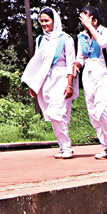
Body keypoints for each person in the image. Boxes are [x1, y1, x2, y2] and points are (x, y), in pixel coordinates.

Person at [21, 8, 75, 158]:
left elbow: (71, 64)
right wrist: (34, 84)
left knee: (57, 112)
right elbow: (38, 62)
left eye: (47, 20)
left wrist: (69, 85)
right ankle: (63, 147)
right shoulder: (41, 39)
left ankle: (67, 148)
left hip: (61, 77)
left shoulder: (66, 39)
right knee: (52, 115)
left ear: (54, 21)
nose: (44, 24)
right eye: (42, 21)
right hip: (46, 80)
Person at [73, 4, 107, 159]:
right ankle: (104, 146)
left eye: (85, 19)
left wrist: (91, 28)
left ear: (94, 19)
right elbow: (81, 57)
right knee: (93, 113)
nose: (83, 23)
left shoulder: (106, 31)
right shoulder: (81, 37)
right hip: (89, 75)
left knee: (104, 109)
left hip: (104, 74)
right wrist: (76, 65)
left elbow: (103, 43)